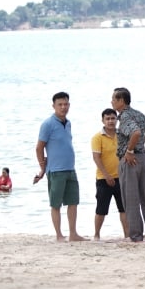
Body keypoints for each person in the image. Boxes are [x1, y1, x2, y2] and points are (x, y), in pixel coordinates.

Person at [113, 87, 145, 243]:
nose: (112, 102)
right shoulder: (138, 114)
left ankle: (136, 235)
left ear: (121, 101)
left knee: (131, 199)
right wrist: (142, 142)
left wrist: (129, 150)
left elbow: (135, 132)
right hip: (142, 158)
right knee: (144, 196)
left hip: (131, 160)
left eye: (114, 99)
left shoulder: (125, 116)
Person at [34, 91, 86, 242]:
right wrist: (42, 168)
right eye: (60, 104)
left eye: (66, 104)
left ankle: (73, 234)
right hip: (55, 171)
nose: (63, 107)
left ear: (69, 105)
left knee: (73, 202)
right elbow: (39, 148)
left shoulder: (68, 123)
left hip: (70, 169)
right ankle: (59, 235)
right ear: (54, 106)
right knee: (56, 204)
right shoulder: (48, 124)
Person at [91, 107, 127, 240]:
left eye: (113, 118)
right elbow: (96, 158)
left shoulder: (122, 135)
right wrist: (107, 176)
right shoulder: (97, 137)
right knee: (101, 209)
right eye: (108, 119)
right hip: (103, 178)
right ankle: (96, 234)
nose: (111, 121)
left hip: (121, 177)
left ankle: (127, 235)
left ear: (117, 120)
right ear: (103, 120)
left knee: (124, 208)